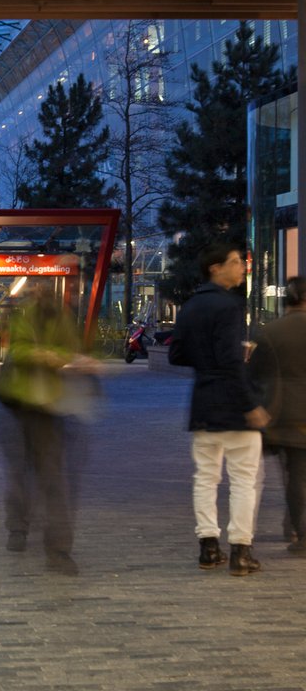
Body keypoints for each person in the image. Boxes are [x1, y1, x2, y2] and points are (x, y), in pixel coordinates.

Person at [170, 244, 269, 575]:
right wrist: (251, 405)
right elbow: (231, 361)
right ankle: (241, 550)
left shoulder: (191, 307)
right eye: (236, 261)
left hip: (203, 404)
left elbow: (176, 355)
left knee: (205, 478)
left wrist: (205, 361)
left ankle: (208, 547)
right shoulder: (229, 306)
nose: (242, 266)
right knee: (243, 479)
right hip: (234, 406)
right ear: (215, 268)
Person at [0, 284, 97, 575]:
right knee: (22, 472)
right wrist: (58, 358)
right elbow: (22, 350)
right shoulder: (23, 315)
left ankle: (58, 550)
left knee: (51, 476)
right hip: (18, 404)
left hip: (48, 407)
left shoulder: (62, 317)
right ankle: (18, 527)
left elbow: (74, 348)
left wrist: (78, 361)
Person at [248, 275, 306, 556]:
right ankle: (299, 528)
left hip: (282, 414)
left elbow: (255, 375)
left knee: (294, 474)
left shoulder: (269, 332)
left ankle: (296, 525)